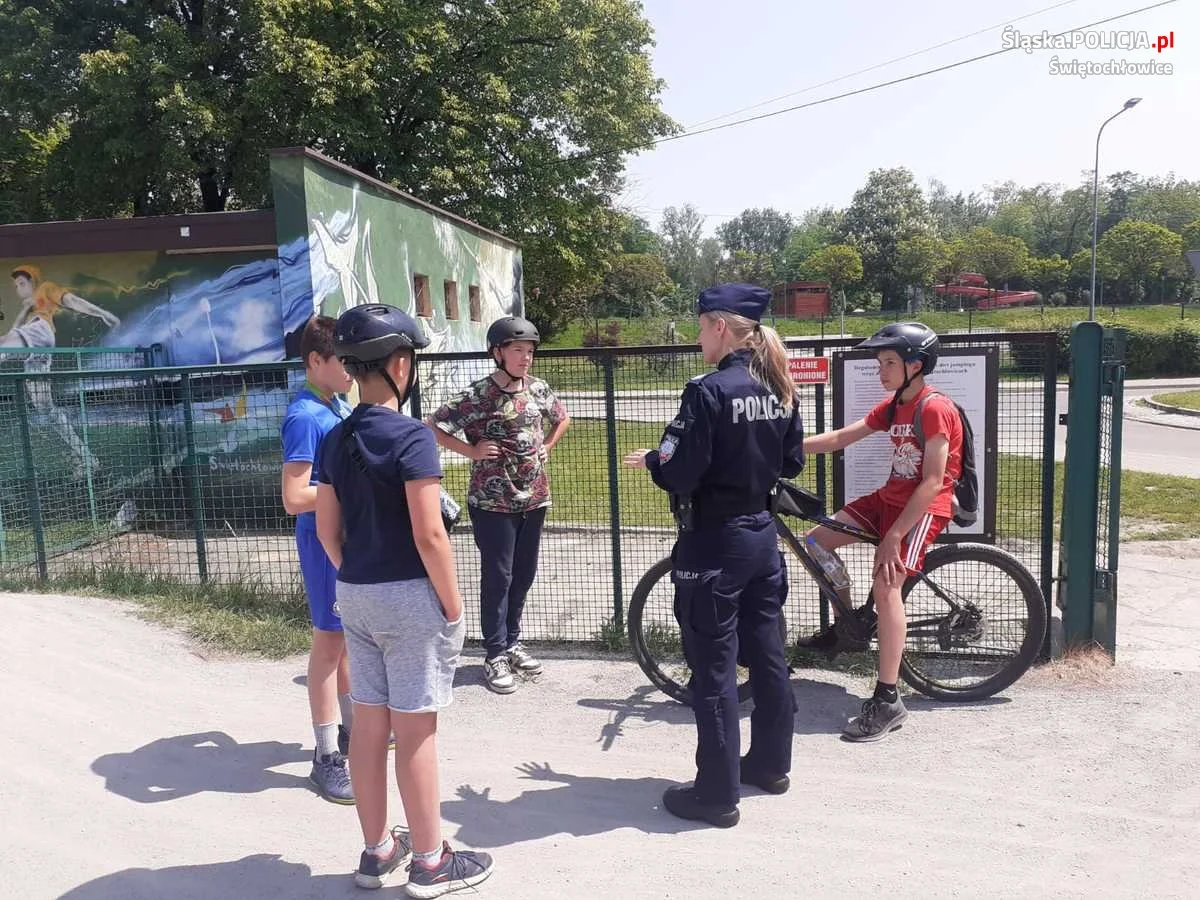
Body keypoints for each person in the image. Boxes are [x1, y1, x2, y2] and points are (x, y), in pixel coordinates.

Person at [316, 303, 493, 896]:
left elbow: (325, 532)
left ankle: (377, 851)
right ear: (399, 363)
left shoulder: (337, 437)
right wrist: (454, 603)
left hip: (355, 594)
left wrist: (358, 575)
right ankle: (431, 861)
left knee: (368, 725)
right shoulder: (412, 436)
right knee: (416, 731)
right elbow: (429, 533)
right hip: (411, 599)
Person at [623, 283, 805, 829]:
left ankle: (716, 793)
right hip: (760, 537)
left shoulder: (707, 391)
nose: (699, 336)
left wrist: (657, 460)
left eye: (701, 326)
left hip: (715, 543)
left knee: (714, 667)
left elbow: (680, 471)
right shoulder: (778, 385)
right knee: (768, 655)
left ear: (720, 327)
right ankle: (770, 766)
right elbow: (792, 462)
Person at [798, 322, 963, 742]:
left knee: (887, 584)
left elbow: (932, 481)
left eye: (889, 362)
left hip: (924, 506)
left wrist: (893, 537)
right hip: (888, 497)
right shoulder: (894, 406)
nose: (881, 371)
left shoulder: (933, 408)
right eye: (879, 363)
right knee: (817, 541)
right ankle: (848, 625)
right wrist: (784, 446)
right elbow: (841, 437)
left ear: (916, 365)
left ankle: (889, 698)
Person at [426, 315, 570, 695]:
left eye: (529, 352)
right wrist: (470, 450)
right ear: (498, 353)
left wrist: (546, 448)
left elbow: (562, 418)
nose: (526, 358)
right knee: (499, 577)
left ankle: (512, 642)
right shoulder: (478, 396)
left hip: (534, 498)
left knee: (523, 574)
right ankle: (494, 653)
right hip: (493, 503)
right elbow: (433, 425)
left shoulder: (538, 389)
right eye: (517, 351)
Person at [280, 315, 357, 804]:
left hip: (344, 538)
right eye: (343, 360)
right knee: (328, 645)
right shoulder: (305, 416)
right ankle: (325, 755)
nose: (351, 368)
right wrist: (349, 487)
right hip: (320, 541)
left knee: (346, 638)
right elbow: (293, 496)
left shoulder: (337, 403)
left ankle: (351, 729)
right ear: (315, 361)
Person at [2, 264, 120, 478]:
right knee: (45, 408)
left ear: (33, 282)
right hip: (37, 352)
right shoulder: (28, 310)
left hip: (39, 333)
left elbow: (72, 301)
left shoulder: (45, 289)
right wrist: (22, 312)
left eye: (22, 283)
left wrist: (103, 314)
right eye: (16, 285)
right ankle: (88, 458)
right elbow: (11, 336)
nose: (19, 288)